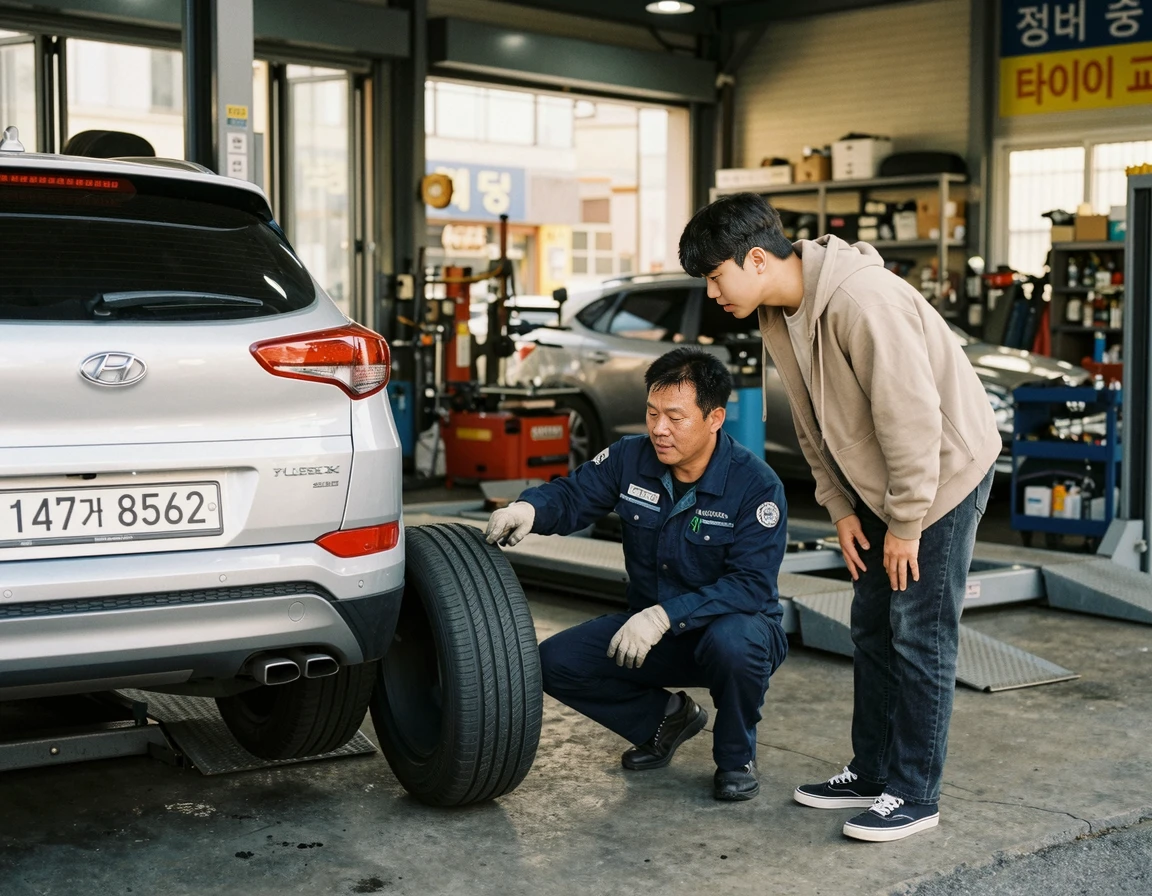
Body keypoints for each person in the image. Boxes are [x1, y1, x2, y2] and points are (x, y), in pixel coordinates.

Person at [678, 193, 998, 841]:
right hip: (882, 485)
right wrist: (841, 507)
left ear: (758, 258)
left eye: (716, 276)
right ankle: (873, 770)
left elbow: (909, 416)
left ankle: (915, 793)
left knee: (919, 631)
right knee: (872, 627)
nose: (712, 293)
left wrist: (906, 523)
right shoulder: (781, 312)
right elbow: (811, 418)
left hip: (941, 474)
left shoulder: (861, 301)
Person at [485, 347, 789, 801]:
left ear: (715, 418)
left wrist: (661, 616)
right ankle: (665, 719)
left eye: (675, 417)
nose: (659, 429)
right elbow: (573, 495)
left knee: (735, 643)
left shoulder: (756, 485)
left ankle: (735, 756)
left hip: (732, 631)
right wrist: (529, 508)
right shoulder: (631, 458)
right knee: (554, 664)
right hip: (656, 633)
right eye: (651, 413)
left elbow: (749, 586)